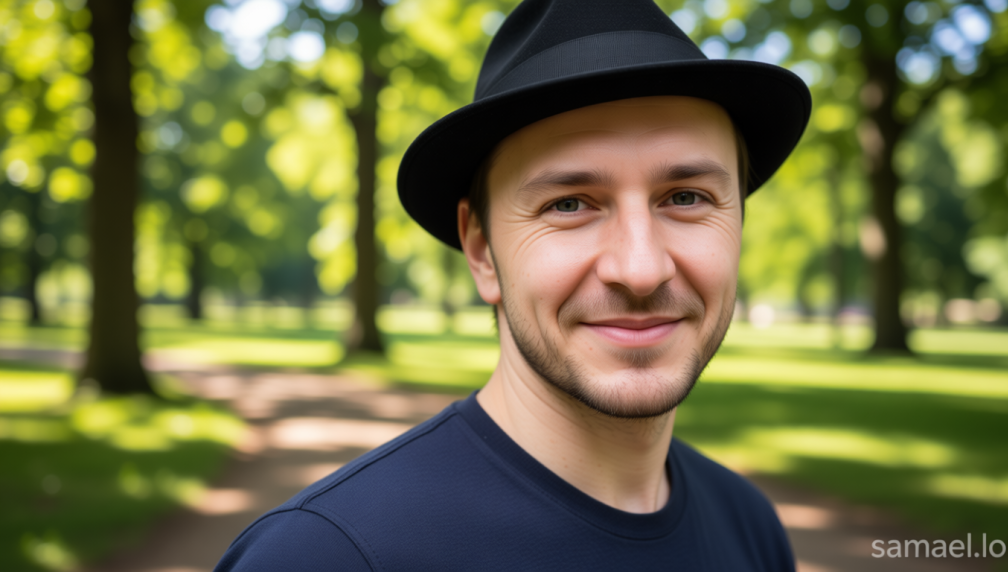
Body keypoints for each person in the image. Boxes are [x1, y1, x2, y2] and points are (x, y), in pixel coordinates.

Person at [215, 0, 810, 570]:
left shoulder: (749, 526)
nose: (640, 269)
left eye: (686, 197)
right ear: (481, 251)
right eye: (569, 204)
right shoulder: (326, 556)